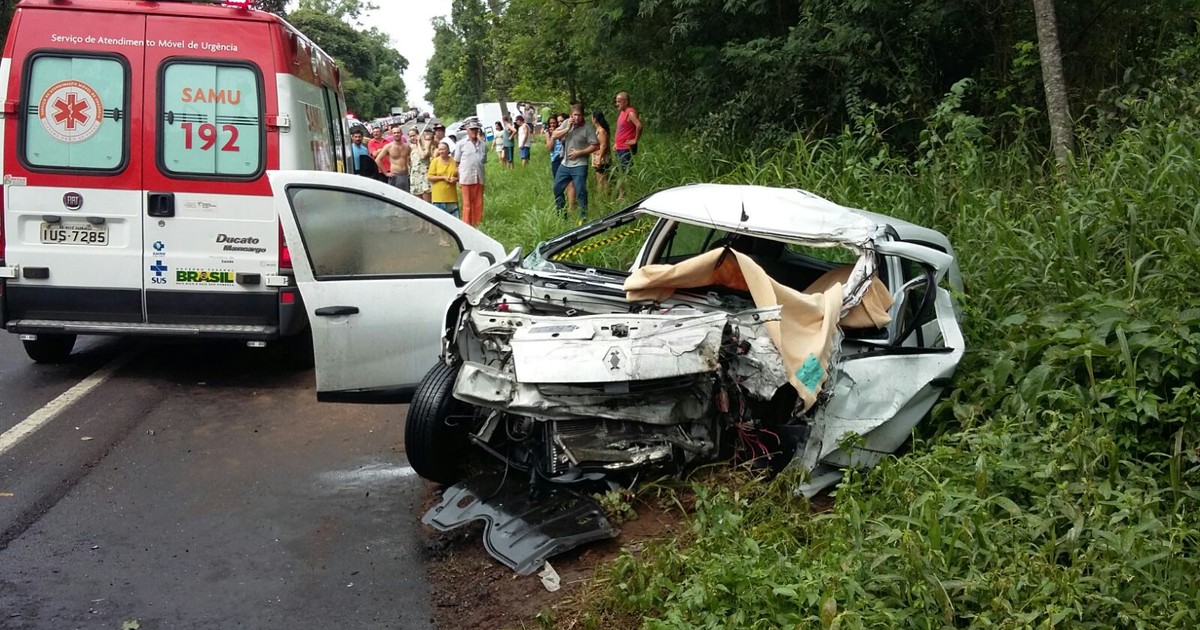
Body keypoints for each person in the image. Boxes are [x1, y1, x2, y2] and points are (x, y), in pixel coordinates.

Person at [551, 104, 599, 222]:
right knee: (557, 188)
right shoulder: (567, 122)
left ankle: (583, 217)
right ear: (571, 115)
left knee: (580, 191)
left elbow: (596, 145)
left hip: (580, 164)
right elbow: (554, 135)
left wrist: (580, 152)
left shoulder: (587, 128)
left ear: (583, 116)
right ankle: (562, 216)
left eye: (579, 115)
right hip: (565, 163)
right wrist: (567, 129)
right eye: (575, 115)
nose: (577, 118)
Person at [456, 120, 488, 227]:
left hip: (479, 177)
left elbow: (483, 161)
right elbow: (457, 162)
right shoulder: (461, 144)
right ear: (467, 130)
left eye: (476, 129)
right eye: (472, 129)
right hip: (466, 177)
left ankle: (477, 225)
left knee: (478, 203)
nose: (474, 132)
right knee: (467, 204)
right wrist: (458, 177)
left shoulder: (483, 145)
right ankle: (466, 225)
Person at [427, 139, 459, 218]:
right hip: (438, 198)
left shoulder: (454, 161)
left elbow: (460, 175)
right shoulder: (435, 161)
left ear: (448, 150)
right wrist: (443, 178)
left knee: (453, 221)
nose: (441, 151)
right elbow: (429, 177)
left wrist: (456, 179)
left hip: (451, 198)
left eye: (443, 149)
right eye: (440, 149)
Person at [614, 91, 643, 171]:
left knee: (626, 171)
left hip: (626, 148)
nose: (617, 104)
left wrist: (635, 140)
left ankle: (629, 183)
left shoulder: (630, 112)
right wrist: (616, 143)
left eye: (619, 102)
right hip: (619, 147)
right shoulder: (622, 112)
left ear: (626, 102)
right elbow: (621, 129)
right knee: (621, 171)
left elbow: (639, 125)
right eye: (616, 101)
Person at [591, 110, 613, 195]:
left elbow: (603, 145)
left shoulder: (601, 131)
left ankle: (605, 195)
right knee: (599, 178)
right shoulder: (598, 130)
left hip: (602, 158)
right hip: (597, 156)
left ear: (595, 119)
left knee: (602, 179)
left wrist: (599, 158)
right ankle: (602, 195)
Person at [410, 128, 434, 202]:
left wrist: (419, 143)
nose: (412, 138)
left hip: (424, 177)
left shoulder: (426, 144)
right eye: (410, 136)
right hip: (415, 177)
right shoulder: (411, 147)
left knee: (426, 202)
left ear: (418, 135)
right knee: (418, 203)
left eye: (414, 135)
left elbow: (423, 156)